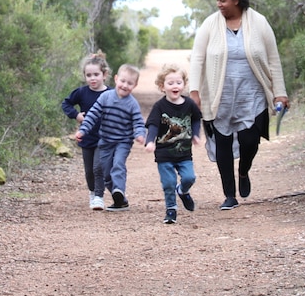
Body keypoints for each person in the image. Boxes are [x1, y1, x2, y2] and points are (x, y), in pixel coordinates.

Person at [189, 0, 289, 211]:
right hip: (219, 95)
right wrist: (194, 91)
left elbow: (273, 60)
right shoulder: (210, 24)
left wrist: (279, 93)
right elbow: (197, 58)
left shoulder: (258, 22)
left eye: (223, 0)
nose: (219, 5)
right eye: (217, 0)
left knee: (250, 140)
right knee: (222, 142)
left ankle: (243, 170)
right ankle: (229, 195)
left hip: (251, 93)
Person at [76, 64, 146, 211]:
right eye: (123, 81)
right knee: (105, 172)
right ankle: (119, 199)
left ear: (135, 85)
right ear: (116, 79)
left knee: (118, 165)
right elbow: (93, 115)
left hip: (123, 142)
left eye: (130, 83)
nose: (125, 85)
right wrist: (83, 130)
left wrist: (140, 134)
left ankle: (119, 189)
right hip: (106, 142)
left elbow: (138, 122)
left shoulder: (132, 104)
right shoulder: (105, 97)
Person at [144, 64, 202, 224]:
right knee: (169, 183)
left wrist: (196, 135)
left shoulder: (189, 104)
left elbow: (196, 119)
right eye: (170, 83)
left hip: (184, 153)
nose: (175, 86)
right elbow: (153, 125)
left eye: (178, 82)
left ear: (184, 84)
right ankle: (171, 209)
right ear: (162, 87)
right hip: (164, 154)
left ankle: (183, 191)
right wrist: (150, 142)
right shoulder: (159, 106)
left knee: (189, 178)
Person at [62, 52, 111, 211]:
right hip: (87, 137)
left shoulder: (111, 94)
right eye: (89, 75)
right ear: (84, 76)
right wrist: (76, 115)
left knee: (98, 167)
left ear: (104, 75)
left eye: (96, 74)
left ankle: (99, 196)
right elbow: (66, 104)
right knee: (89, 171)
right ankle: (92, 192)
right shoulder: (81, 92)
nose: (93, 78)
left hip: (104, 138)